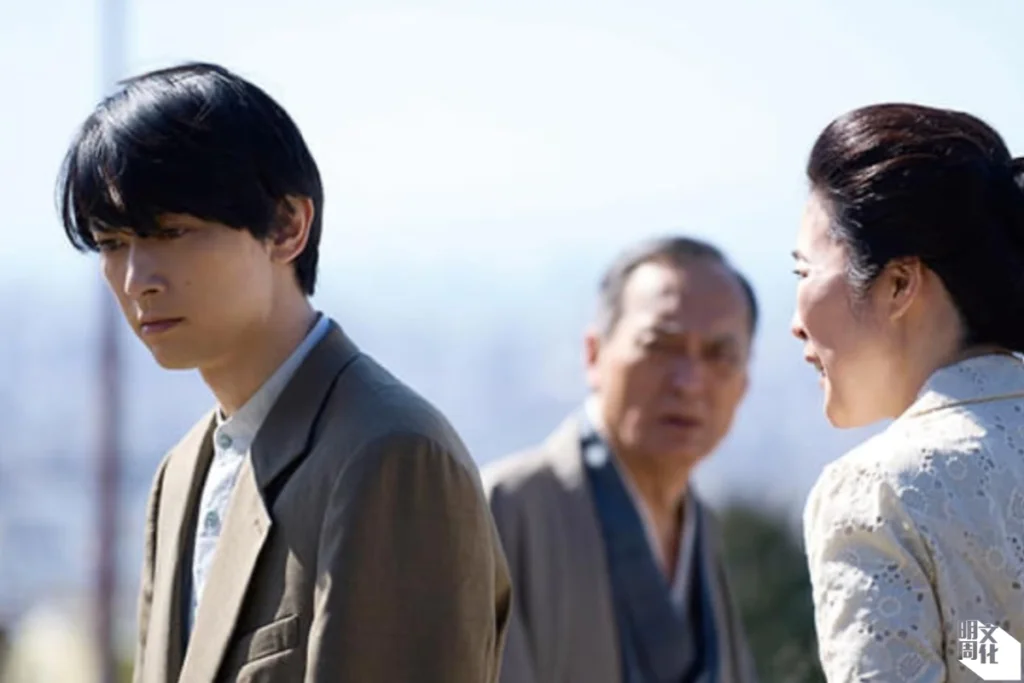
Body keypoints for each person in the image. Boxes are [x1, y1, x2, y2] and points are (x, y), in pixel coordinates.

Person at [58, 61, 511, 683]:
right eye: (111, 243)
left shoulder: (391, 455)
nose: (137, 279)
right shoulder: (182, 473)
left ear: (286, 227)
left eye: (172, 231)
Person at [793, 103, 1024, 682]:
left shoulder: (877, 492)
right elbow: (992, 653)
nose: (796, 323)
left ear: (899, 283)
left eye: (804, 272)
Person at [483, 237, 760, 683]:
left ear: (744, 383)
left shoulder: (702, 530)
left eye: (719, 355)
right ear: (593, 354)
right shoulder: (505, 509)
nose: (689, 382)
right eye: (660, 346)